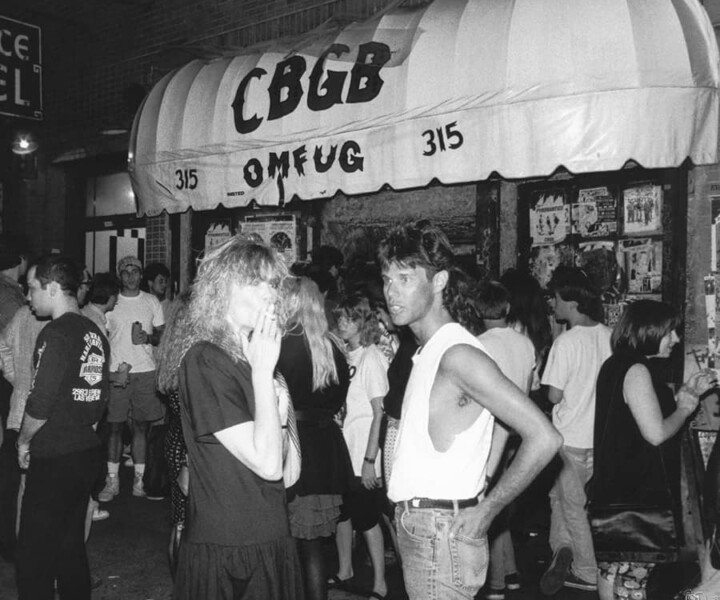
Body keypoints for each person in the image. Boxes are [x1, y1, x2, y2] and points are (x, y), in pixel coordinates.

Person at [378, 224, 561, 600]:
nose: (391, 291)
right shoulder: (430, 350)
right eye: (387, 279)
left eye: (405, 278)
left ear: (439, 280)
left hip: (440, 532)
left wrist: (487, 508)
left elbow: (544, 437)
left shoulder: (459, 354)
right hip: (426, 527)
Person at [173, 236, 302, 599]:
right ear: (220, 291)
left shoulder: (253, 360)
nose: (269, 294)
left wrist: (269, 392)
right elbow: (267, 465)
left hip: (267, 532)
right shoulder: (205, 360)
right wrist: (263, 374)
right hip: (230, 546)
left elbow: (282, 463)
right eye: (253, 282)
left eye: (271, 283)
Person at [588, 300, 715, 600]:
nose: (676, 339)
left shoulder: (616, 364)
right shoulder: (637, 370)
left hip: (613, 492)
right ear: (649, 330)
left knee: (611, 571)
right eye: (670, 332)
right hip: (637, 497)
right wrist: (685, 408)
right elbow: (656, 433)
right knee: (632, 581)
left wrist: (685, 395)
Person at [15, 255, 110, 600]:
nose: (28, 297)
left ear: (52, 288)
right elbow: (99, 400)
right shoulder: (94, 333)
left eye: (32, 288)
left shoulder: (54, 334)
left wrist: (24, 442)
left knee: (35, 554)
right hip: (85, 451)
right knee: (70, 545)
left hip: (54, 456)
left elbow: (41, 402)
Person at [276, 276, 353, 600]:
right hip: (326, 447)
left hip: (292, 445)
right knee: (313, 547)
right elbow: (339, 400)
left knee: (291, 544)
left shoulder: (282, 344)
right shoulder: (333, 345)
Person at [539, 266, 612, 594]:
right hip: (600, 439)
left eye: (554, 296)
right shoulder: (609, 335)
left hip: (569, 439)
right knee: (563, 499)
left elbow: (553, 395)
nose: (552, 303)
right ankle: (562, 547)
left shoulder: (566, 343)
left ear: (568, 300)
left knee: (572, 506)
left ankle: (585, 569)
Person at [475, 281, 536, 600]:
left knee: (492, 507)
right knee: (505, 505)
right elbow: (531, 384)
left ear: (476, 309)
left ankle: (496, 585)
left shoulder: (476, 345)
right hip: (523, 433)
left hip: (492, 434)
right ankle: (511, 574)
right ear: (507, 308)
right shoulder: (524, 343)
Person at [331, 293, 389, 600]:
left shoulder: (371, 357)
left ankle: (380, 582)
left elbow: (380, 411)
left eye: (348, 318)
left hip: (362, 452)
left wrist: (370, 460)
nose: (341, 322)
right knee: (342, 515)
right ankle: (344, 570)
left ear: (362, 322)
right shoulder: (345, 355)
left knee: (367, 518)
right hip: (344, 449)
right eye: (339, 317)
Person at [100, 255, 165, 501]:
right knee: (114, 427)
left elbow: (161, 335)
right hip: (117, 372)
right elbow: (102, 336)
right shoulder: (112, 302)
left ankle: (139, 480)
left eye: (134, 271)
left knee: (141, 427)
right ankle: (112, 479)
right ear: (119, 275)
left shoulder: (151, 301)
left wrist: (148, 338)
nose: (130, 276)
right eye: (125, 272)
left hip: (145, 371)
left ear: (141, 274)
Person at [155, 292, 191, 578]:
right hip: (189, 447)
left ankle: (181, 584)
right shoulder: (191, 358)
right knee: (187, 522)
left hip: (176, 439)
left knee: (180, 520)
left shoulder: (172, 352)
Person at [0, 235, 29, 562]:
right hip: (8, 388)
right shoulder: (11, 297)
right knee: (10, 466)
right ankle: (9, 538)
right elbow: (15, 347)